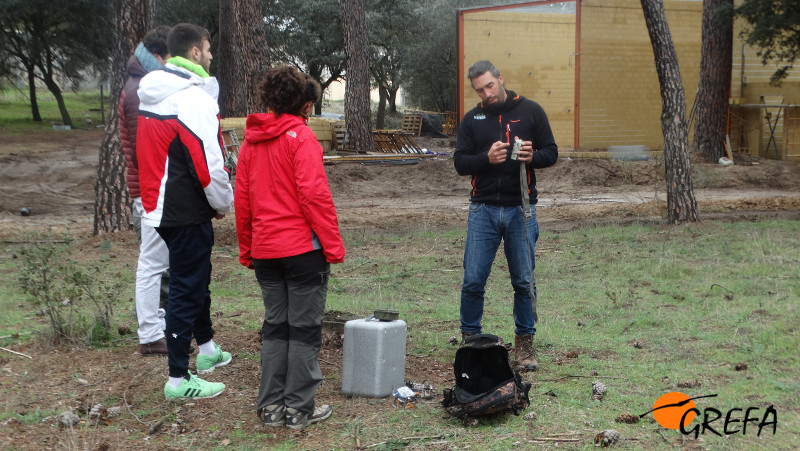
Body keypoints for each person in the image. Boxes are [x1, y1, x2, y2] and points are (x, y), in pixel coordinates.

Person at [235, 65, 345, 430]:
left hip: (267, 252)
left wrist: (248, 247)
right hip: (302, 252)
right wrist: (332, 245)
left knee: (275, 328)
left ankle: (270, 408)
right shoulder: (301, 138)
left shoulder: (252, 142)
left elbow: (243, 200)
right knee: (303, 330)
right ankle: (299, 408)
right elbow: (314, 196)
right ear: (304, 103)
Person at [137, 23, 234, 399]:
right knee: (185, 288)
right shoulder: (192, 99)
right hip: (183, 209)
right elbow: (209, 164)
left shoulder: (157, 91)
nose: (211, 57)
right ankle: (179, 378)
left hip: (160, 204)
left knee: (195, 279)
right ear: (195, 52)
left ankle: (207, 350)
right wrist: (222, 202)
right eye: (208, 50)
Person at [453, 60, 558, 372]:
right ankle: (469, 341)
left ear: (500, 79)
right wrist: (486, 158)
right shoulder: (473, 118)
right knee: (473, 278)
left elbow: (551, 152)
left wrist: (533, 156)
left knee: (524, 281)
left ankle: (524, 345)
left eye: (489, 85)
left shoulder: (531, 111)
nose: (486, 94)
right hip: (482, 209)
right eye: (479, 90)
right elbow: (460, 163)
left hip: (521, 210)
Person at [119, 25, 172, 356]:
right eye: (171, 57)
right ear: (157, 56)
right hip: (151, 188)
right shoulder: (142, 90)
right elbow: (145, 150)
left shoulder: (143, 83)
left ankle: (157, 327)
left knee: (158, 261)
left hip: (151, 187)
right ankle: (151, 334)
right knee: (153, 263)